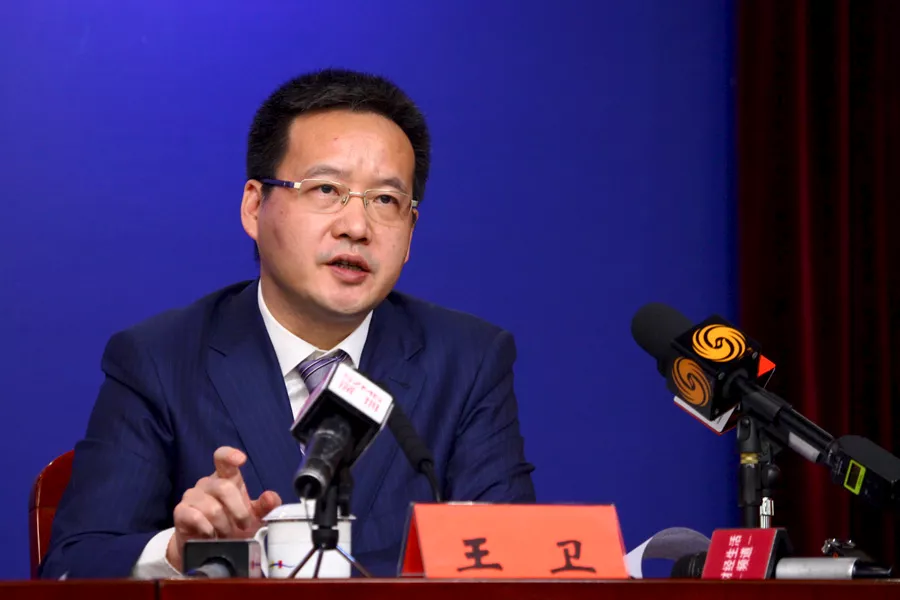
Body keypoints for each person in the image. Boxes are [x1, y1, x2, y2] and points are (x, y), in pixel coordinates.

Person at [39, 68, 535, 579]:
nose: (356, 226)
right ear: (254, 207)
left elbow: (515, 565)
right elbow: (72, 566)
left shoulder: (467, 362)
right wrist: (178, 551)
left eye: (386, 200)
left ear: (410, 232)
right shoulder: (160, 361)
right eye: (326, 189)